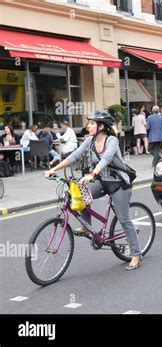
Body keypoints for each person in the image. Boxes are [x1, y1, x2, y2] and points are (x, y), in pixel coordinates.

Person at [42, 111, 143, 270]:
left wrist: (92, 174)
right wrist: (53, 169)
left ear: (101, 126)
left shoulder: (112, 140)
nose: (87, 126)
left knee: (124, 219)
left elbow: (106, 158)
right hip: (102, 181)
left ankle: (136, 254)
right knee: (80, 192)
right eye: (88, 123)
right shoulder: (89, 141)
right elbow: (74, 156)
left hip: (118, 183)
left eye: (91, 123)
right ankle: (86, 225)